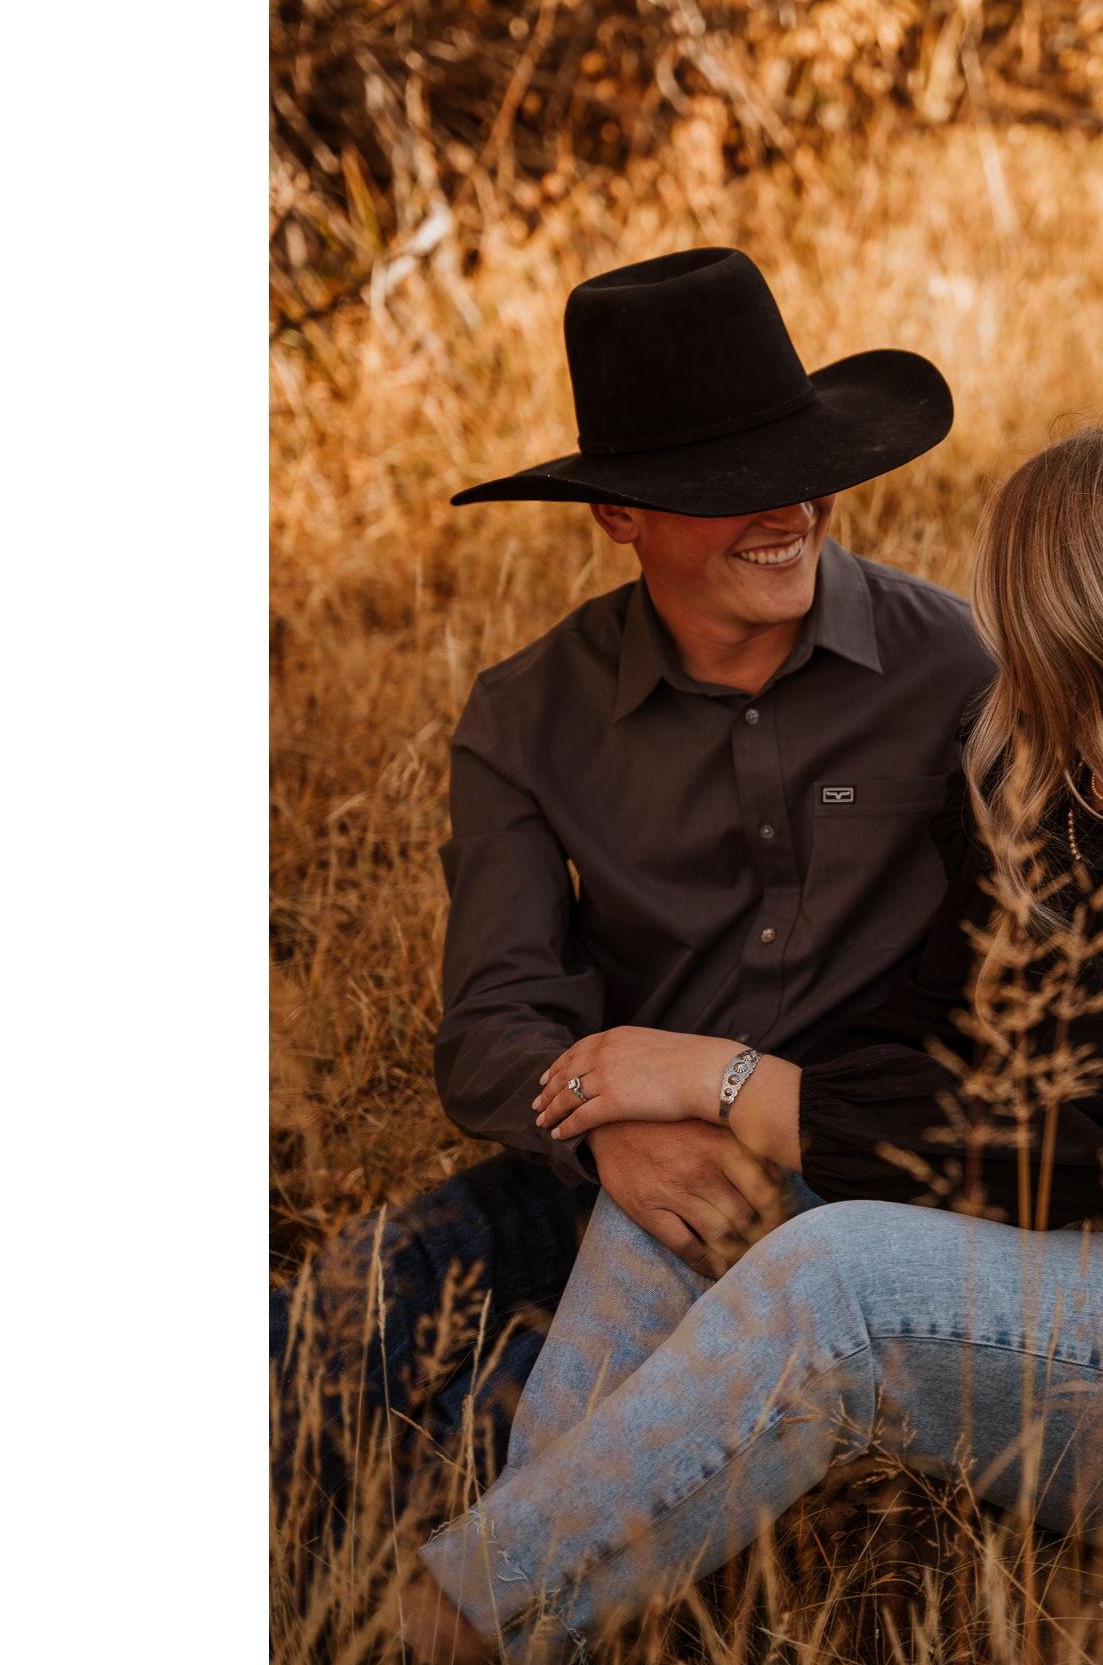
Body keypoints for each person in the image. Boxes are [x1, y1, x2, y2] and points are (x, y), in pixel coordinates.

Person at [395, 421, 1103, 1663]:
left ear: (1090, 616)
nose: (995, 629)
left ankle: (451, 1620)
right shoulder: (1050, 790)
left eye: (1014, 597)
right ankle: (527, 1590)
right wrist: (712, 1111)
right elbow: (922, 1038)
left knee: (842, 1275)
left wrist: (727, 1074)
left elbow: (1069, 1154)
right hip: (1099, 1305)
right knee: (686, 1183)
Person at [270, 246, 993, 1514]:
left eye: (803, 469)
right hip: (611, 1159)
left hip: (863, 1173)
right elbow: (492, 1021)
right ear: (617, 513)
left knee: (517, 1445)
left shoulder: (960, 667)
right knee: (318, 1336)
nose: (791, 510)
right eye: (731, 486)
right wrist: (610, 1129)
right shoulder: (524, 716)